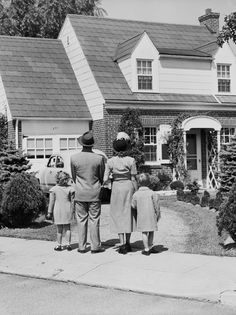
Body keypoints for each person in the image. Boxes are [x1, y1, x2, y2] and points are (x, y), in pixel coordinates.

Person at [70, 131, 106, 254]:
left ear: (82, 144)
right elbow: (101, 176)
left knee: (81, 220)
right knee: (94, 219)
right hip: (94, 191)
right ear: (92, 144)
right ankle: (95, 246)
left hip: (80, 192)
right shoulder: (98, 158)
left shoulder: (74, 158)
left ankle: (81, 246)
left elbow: (74, 176)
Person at [103, 138, 137, 254]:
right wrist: (136, 191)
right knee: (128, 214)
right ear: (126, 148)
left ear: (115, 149)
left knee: (118, 214)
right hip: (128, 186)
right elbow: (133, 178)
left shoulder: (110, 161)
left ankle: (122, 243)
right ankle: (128, 242)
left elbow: (105, 178)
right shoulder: (131, 160)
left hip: (117, 187)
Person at [131, 173, 161, 256]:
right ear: (149, 183)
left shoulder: (136, 194)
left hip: (141, 216)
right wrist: (158, 214)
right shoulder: (152, 193)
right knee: (151, 231)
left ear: (139, 183)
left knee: (144, 232)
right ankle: (150, 246)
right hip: (151, 216)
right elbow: (156, 205)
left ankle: (146, 248)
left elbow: (133, 205)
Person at [46, 171, 75, 251]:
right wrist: (73, 211)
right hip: (67, 209)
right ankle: (68, 244)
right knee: (67, 228)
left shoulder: (54, 189)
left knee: (59, 229)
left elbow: (51, 202)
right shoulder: (70, 189)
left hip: (58, 209)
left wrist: (49, 212)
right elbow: (73, 201)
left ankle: (59, 245)